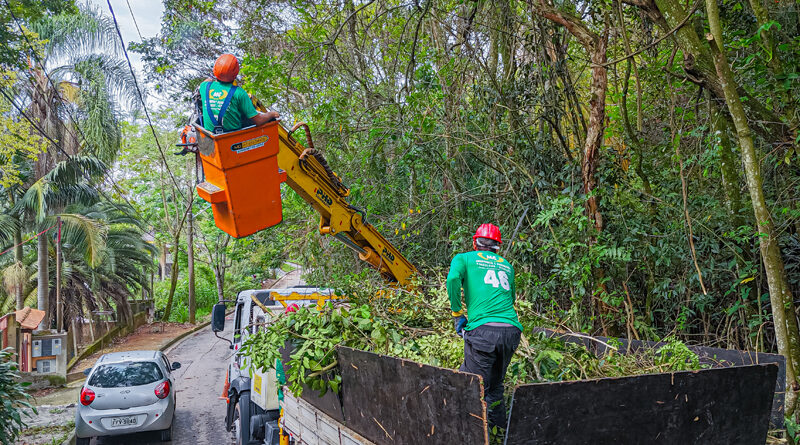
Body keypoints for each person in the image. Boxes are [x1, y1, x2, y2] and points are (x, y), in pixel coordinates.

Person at [446, 223, 522, 430]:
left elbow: (453, 278)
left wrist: (457, 313)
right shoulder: (507, 265)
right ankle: (499, 433)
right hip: (511, 331)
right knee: (495, 385)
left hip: (484, 332)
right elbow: (511, 297)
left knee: (469, 385)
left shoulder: (464, 258)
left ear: (474, 242)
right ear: (498, 246)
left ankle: (465, 433)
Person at [197, 54, 279, 134]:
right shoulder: (239, 93)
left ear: (215, 70)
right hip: (233, 136)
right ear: (235, 73)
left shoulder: (204, 87)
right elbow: (258, 121)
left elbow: (207, 80)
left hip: (210, 135)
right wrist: (271, 114)